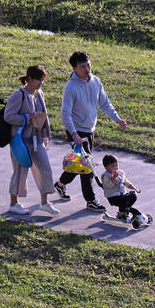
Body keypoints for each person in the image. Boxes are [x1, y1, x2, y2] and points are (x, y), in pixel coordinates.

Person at [55, 51, 127, 212]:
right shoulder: (71, 87)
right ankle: (91, 200)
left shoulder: (96, 81)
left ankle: (60, 185)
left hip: (90, 129)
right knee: (87, 167)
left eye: (88, 64)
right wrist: (74, 134)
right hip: (76, 130)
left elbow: (105, 104)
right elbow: (65, 114)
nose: (87, 68)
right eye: (82, 66)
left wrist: (117, 119)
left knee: (80, 164)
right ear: (74, 69)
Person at [3, 65, 60, 216]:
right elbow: (8, 116)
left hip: (36, 139)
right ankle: (14, 203)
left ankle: (44, 202)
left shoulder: (39, 94)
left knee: (44, 168)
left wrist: (46, 135)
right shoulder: (18, 95)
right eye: (38, 80)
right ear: (29, 79)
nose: (41, 83)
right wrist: (28, 118)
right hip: (20, 140)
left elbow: (44, 115)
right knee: (20, 172)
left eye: (42, 80)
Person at [100, 154, 150, 228]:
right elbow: (109, 185)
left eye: (116, 165)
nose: (115, 167)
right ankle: (123, 214)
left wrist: (135, 188)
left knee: (133, 196)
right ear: (106, 167)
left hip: (122, 195)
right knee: (123, 201)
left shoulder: (120, 173)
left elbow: (126, 182)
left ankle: (123, 213)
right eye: (112, 166)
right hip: (113, 197)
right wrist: (114, 178)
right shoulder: (106, 175)